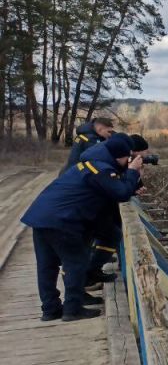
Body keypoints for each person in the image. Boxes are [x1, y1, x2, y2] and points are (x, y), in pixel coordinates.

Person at [21, 135, 143, 321]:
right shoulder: (100, 169)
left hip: (41, 216)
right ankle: (72, 309)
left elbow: (109, 189)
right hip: (63, 221)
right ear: (120, 156)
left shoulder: (91, 164)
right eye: (128, 157)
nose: (128, 161)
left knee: (47, 266)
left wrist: (131, 185)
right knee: (76, 263)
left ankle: (50, 310)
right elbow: (120, 193)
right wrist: (133, 172)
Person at [84, 133, 150, 288]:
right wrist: (133, 172)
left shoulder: (106, 157)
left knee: (111, 234)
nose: (145, 157)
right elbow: (119, 191)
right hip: (86, 209)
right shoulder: (106, 163)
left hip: (92, 205)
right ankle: (86, 279)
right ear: (131, 152)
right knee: (82, 248)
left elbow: (120, 188)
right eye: (143, 153)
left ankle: (91, 272)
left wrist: (134, 187)